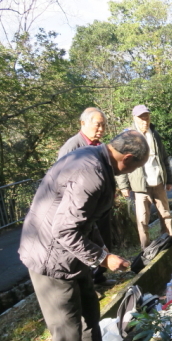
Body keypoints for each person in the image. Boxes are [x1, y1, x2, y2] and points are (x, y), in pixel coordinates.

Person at [19, 131, 149, 341]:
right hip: (51, 260)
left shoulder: (96, 160)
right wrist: (102, 258)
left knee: (90, 312)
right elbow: (64, 230)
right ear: (127, 158)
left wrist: (102, 250)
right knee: (67, 334)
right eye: (136, 167)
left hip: (72, 257)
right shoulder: (91, 173)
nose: (133, 173)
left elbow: (85, 221)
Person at [58, 107, 115, 286]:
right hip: (82, 208)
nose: (101, 129)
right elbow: (61, 179)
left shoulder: (99, 146)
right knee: (86, 242)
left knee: (104, 240)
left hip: (100, 208)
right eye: (98, 125)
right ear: (83, 123)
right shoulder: (72, 147)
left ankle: (99, 277)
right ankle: (88, 282)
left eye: (104, 125)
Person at [116, 105, 172, 250]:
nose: (145, 121)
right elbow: (120, 162)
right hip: (140, 185)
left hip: (158, 182)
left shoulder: (154, 134)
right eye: (141, 118)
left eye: (146, 117)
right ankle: (146, 249)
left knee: (165, 214)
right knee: (142, 220)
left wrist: (169, 179)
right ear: (134, 118)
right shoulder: (128, 137)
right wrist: (123, 186)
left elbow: (164, 158)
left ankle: (168, 241)